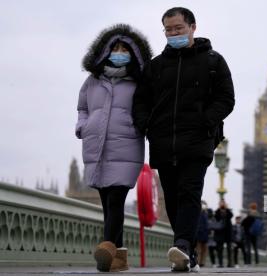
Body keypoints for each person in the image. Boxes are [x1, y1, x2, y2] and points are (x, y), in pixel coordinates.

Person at [132, 7, 235, 272]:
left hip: (198, 140)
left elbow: (226, 98)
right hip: (164, 141)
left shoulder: (213, 61)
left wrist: (205, 121)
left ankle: (183, 246)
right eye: (168, 29)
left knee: (190, 192)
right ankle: (185, 252)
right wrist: (147, 126)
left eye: (178, 28)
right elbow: (141, 101)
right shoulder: (156, 66)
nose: (173, 33)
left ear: (192, 27)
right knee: (174, 198)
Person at [76, 24, 152, 272]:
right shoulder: (92, 81)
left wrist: (138, 126)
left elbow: (146, 109)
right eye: (115, 48)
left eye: (125, 49)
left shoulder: (139, 82)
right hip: (96, 147)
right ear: (105, 51)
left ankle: (107, 247)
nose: (119, 52)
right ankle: (118, 259)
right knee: (107, 201)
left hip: (126, 146)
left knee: (116, 199)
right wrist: (82, 126)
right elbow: (83, 108)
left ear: (134, 53)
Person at [214, 200, 234, 268]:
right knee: (220, 249)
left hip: (228, 232)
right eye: (221, 203)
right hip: (220, 232)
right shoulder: (217, 211)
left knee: (229, 248)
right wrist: (220, 210)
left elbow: (231, 216)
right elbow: (216, 218)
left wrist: (226, 209)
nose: (222, 204)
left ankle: (230, 263)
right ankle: (220, 263)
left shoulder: (228, 210)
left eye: (223, 203)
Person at [195, 201, 209, 267]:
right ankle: (198, 262)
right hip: (199, 233)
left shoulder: (206, 213)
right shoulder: (196, 212)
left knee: (204, 249)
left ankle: (202, 262)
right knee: (198, 249)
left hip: (205, 233)